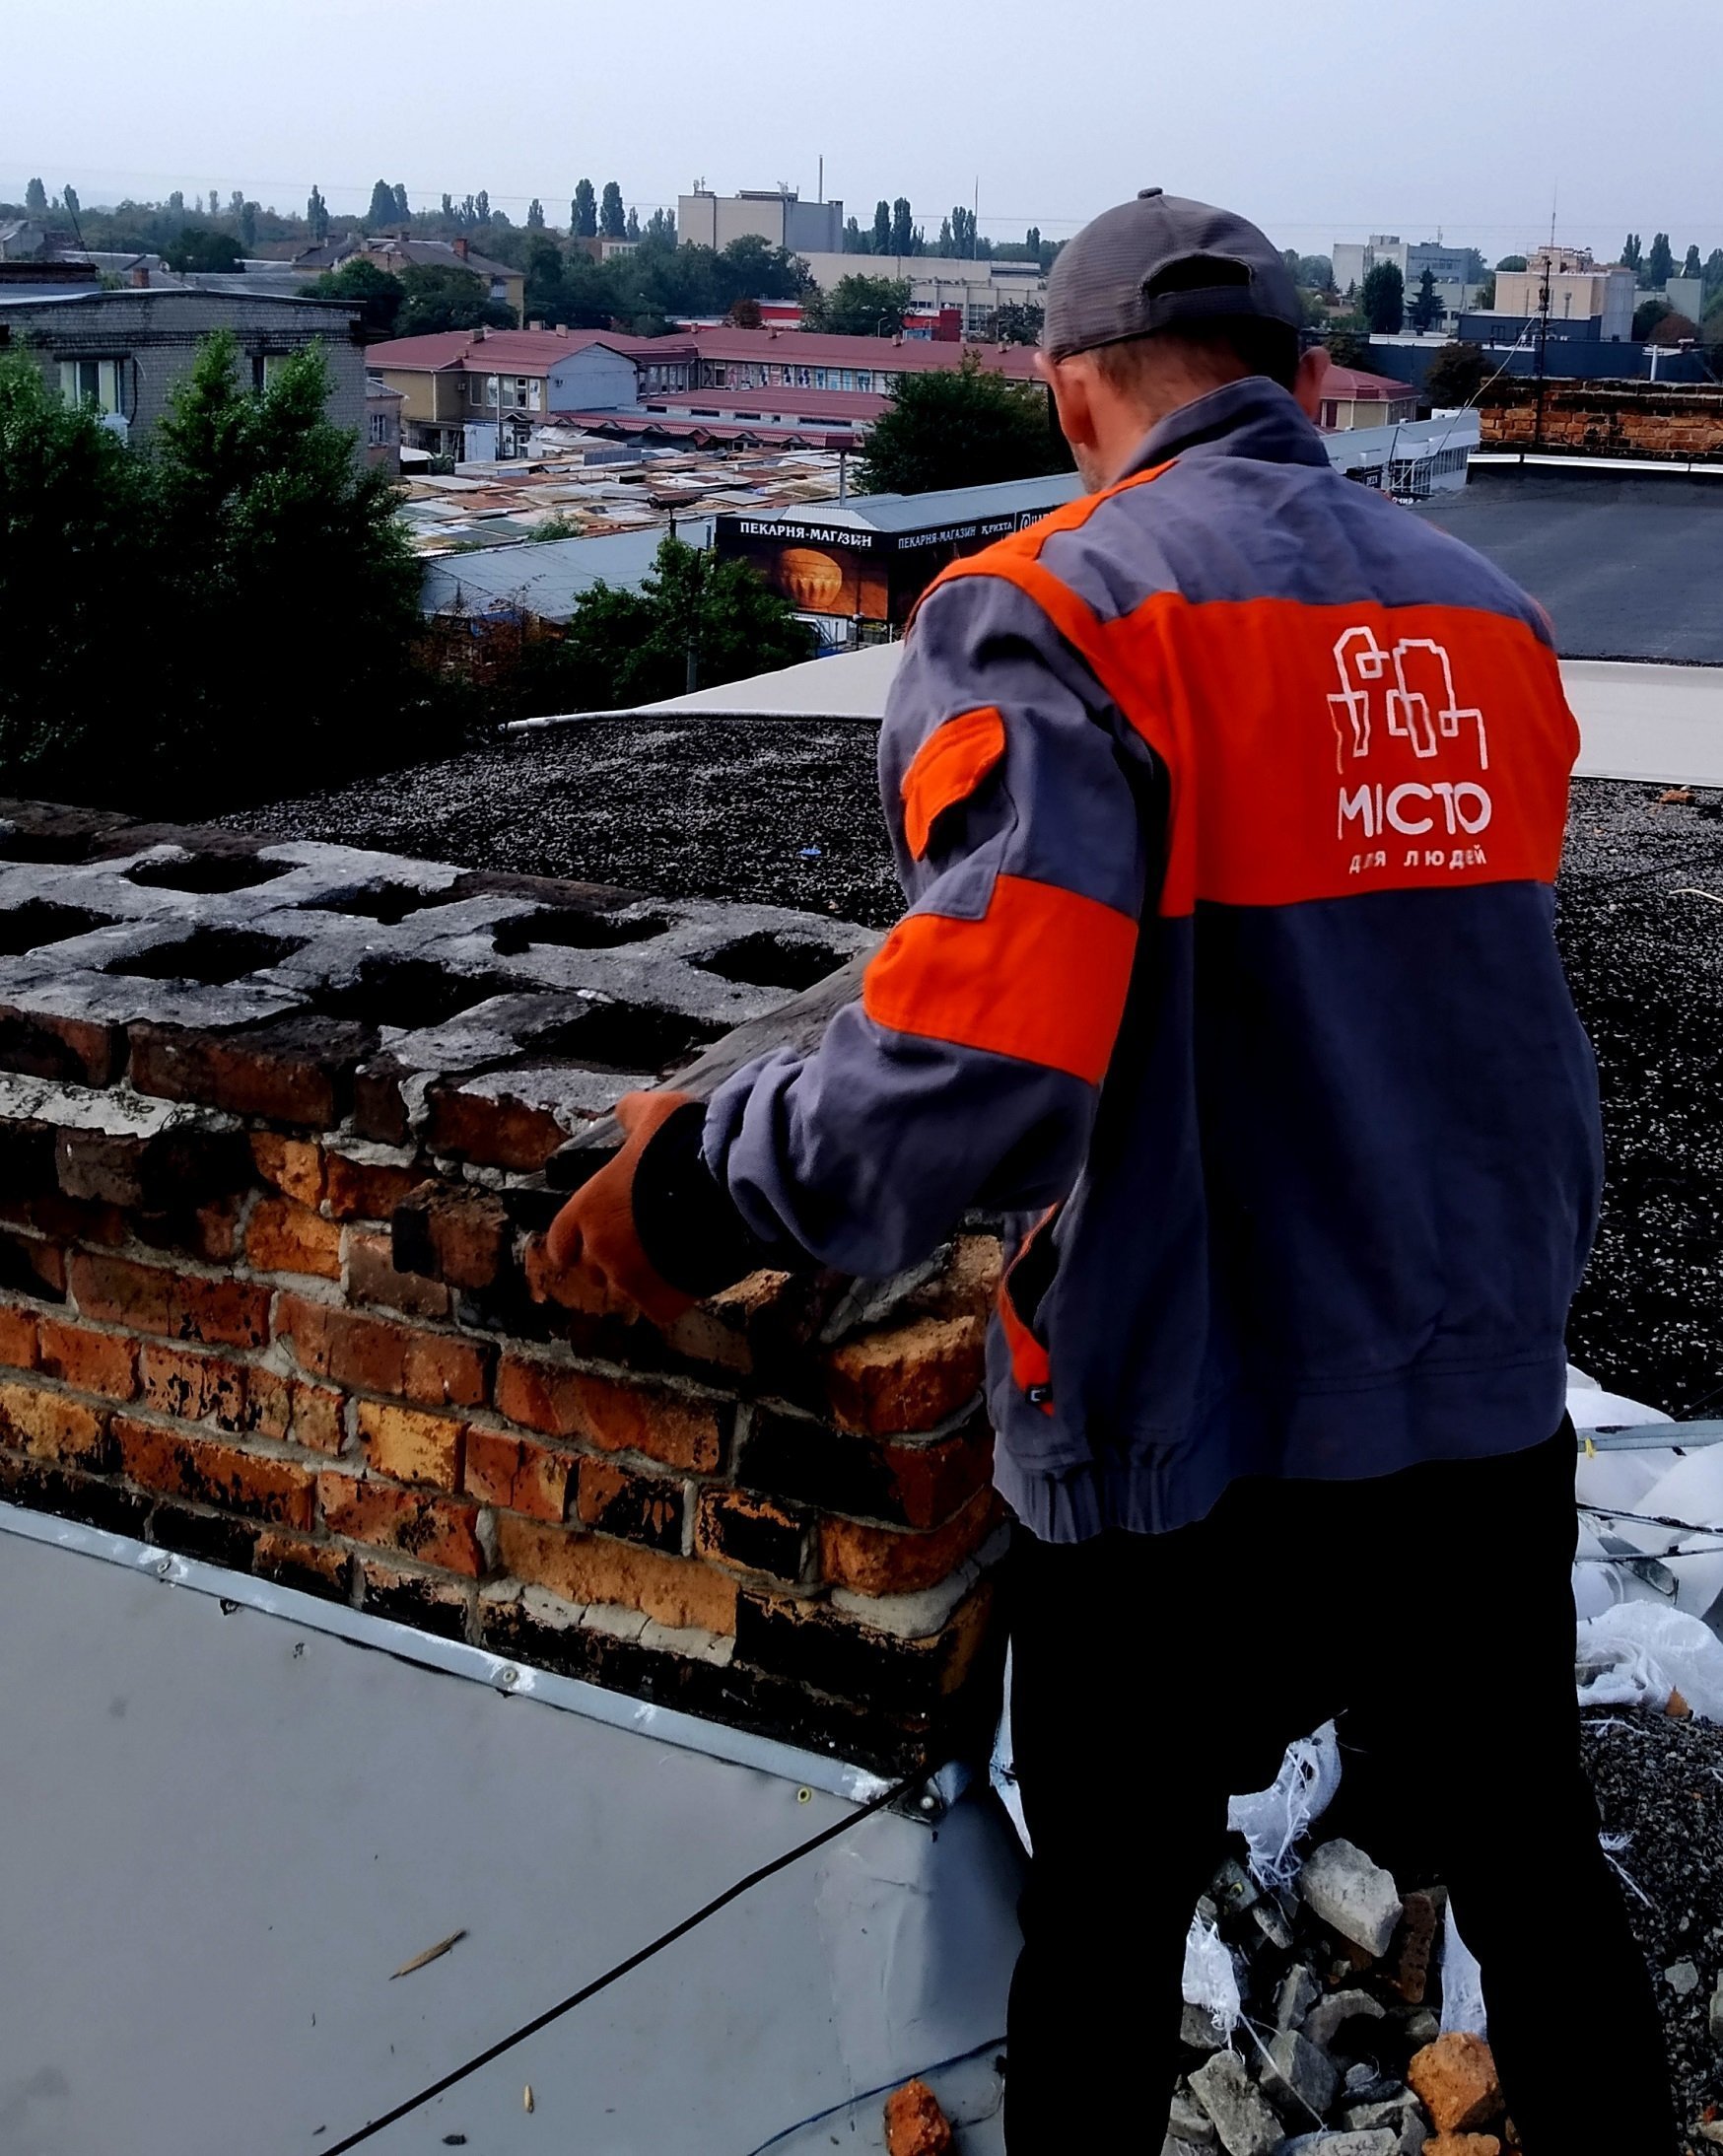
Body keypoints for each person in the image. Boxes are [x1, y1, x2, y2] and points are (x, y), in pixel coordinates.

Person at [536, 191, 1675, 2151]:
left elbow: (980, 1062)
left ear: (1071, 398)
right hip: (1475, 1401)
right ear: (1303, 381)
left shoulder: (1049, 613)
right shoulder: (1486, 618)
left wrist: (694, 1191)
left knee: (1104, 1933)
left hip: (1182, 1424)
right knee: (1537, 1878)